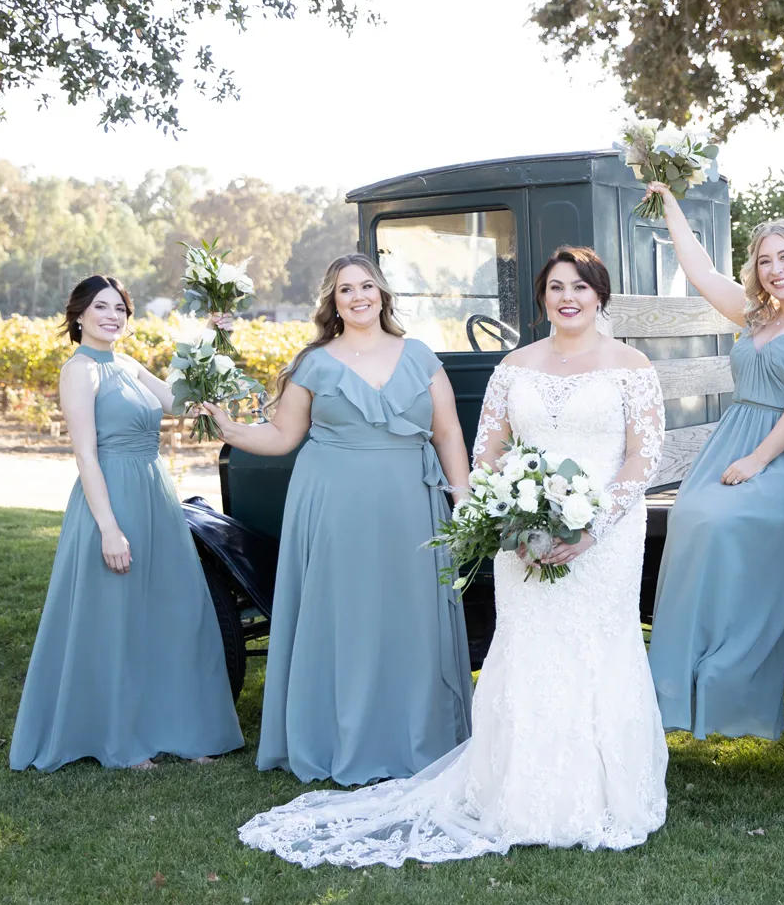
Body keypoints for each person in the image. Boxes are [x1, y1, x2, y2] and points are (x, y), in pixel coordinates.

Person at [237, 246, 668, 867]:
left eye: (579, 286)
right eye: (554, 288)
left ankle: (606, 790)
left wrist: (592, 526)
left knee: (599, 650)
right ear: (542, 298)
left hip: (605, 535)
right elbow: (486, 451)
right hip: (522, 534)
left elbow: (642, 457)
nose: (566, 297)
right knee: (527, 653)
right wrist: (505, 520)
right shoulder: (514, 366)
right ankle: (518, 794)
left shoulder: (632, 365)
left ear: (600, 295)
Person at [200, 254, 473, 785]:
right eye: (346, 289)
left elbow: (447, 434)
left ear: (383, 293)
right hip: (334, 507)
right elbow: (281, 437)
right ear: (333, 302)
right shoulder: (314, 363)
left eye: (366, 285)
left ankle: (418, 736)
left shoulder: (420, 357)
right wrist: (230, 428)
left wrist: (461, 500)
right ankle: (341, 735)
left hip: (410, 505)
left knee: (409, 615)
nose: (358, 296)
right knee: (346, 616)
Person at [643, 181, 784, 740]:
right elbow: (703, 272)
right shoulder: (756, 316)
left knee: (724, 520)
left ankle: (726, 676)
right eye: (765, 261)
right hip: (734, 440)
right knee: (691, 516)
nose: (776, 268)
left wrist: (759, 460)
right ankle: (678, 680)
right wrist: (670, 206)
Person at [10, 275, 243, 772]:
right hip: (110, 499)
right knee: (116, 622)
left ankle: (182, 731)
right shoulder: (79, 371)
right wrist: (109, 529)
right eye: (102, 307)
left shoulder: (128, 364)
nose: (113, 316)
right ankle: (121, 739)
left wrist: (212, 337)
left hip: (155, 496)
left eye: (120, 308)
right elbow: (86, 455)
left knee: (175, 614)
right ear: (78, 315)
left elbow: (180, 402)